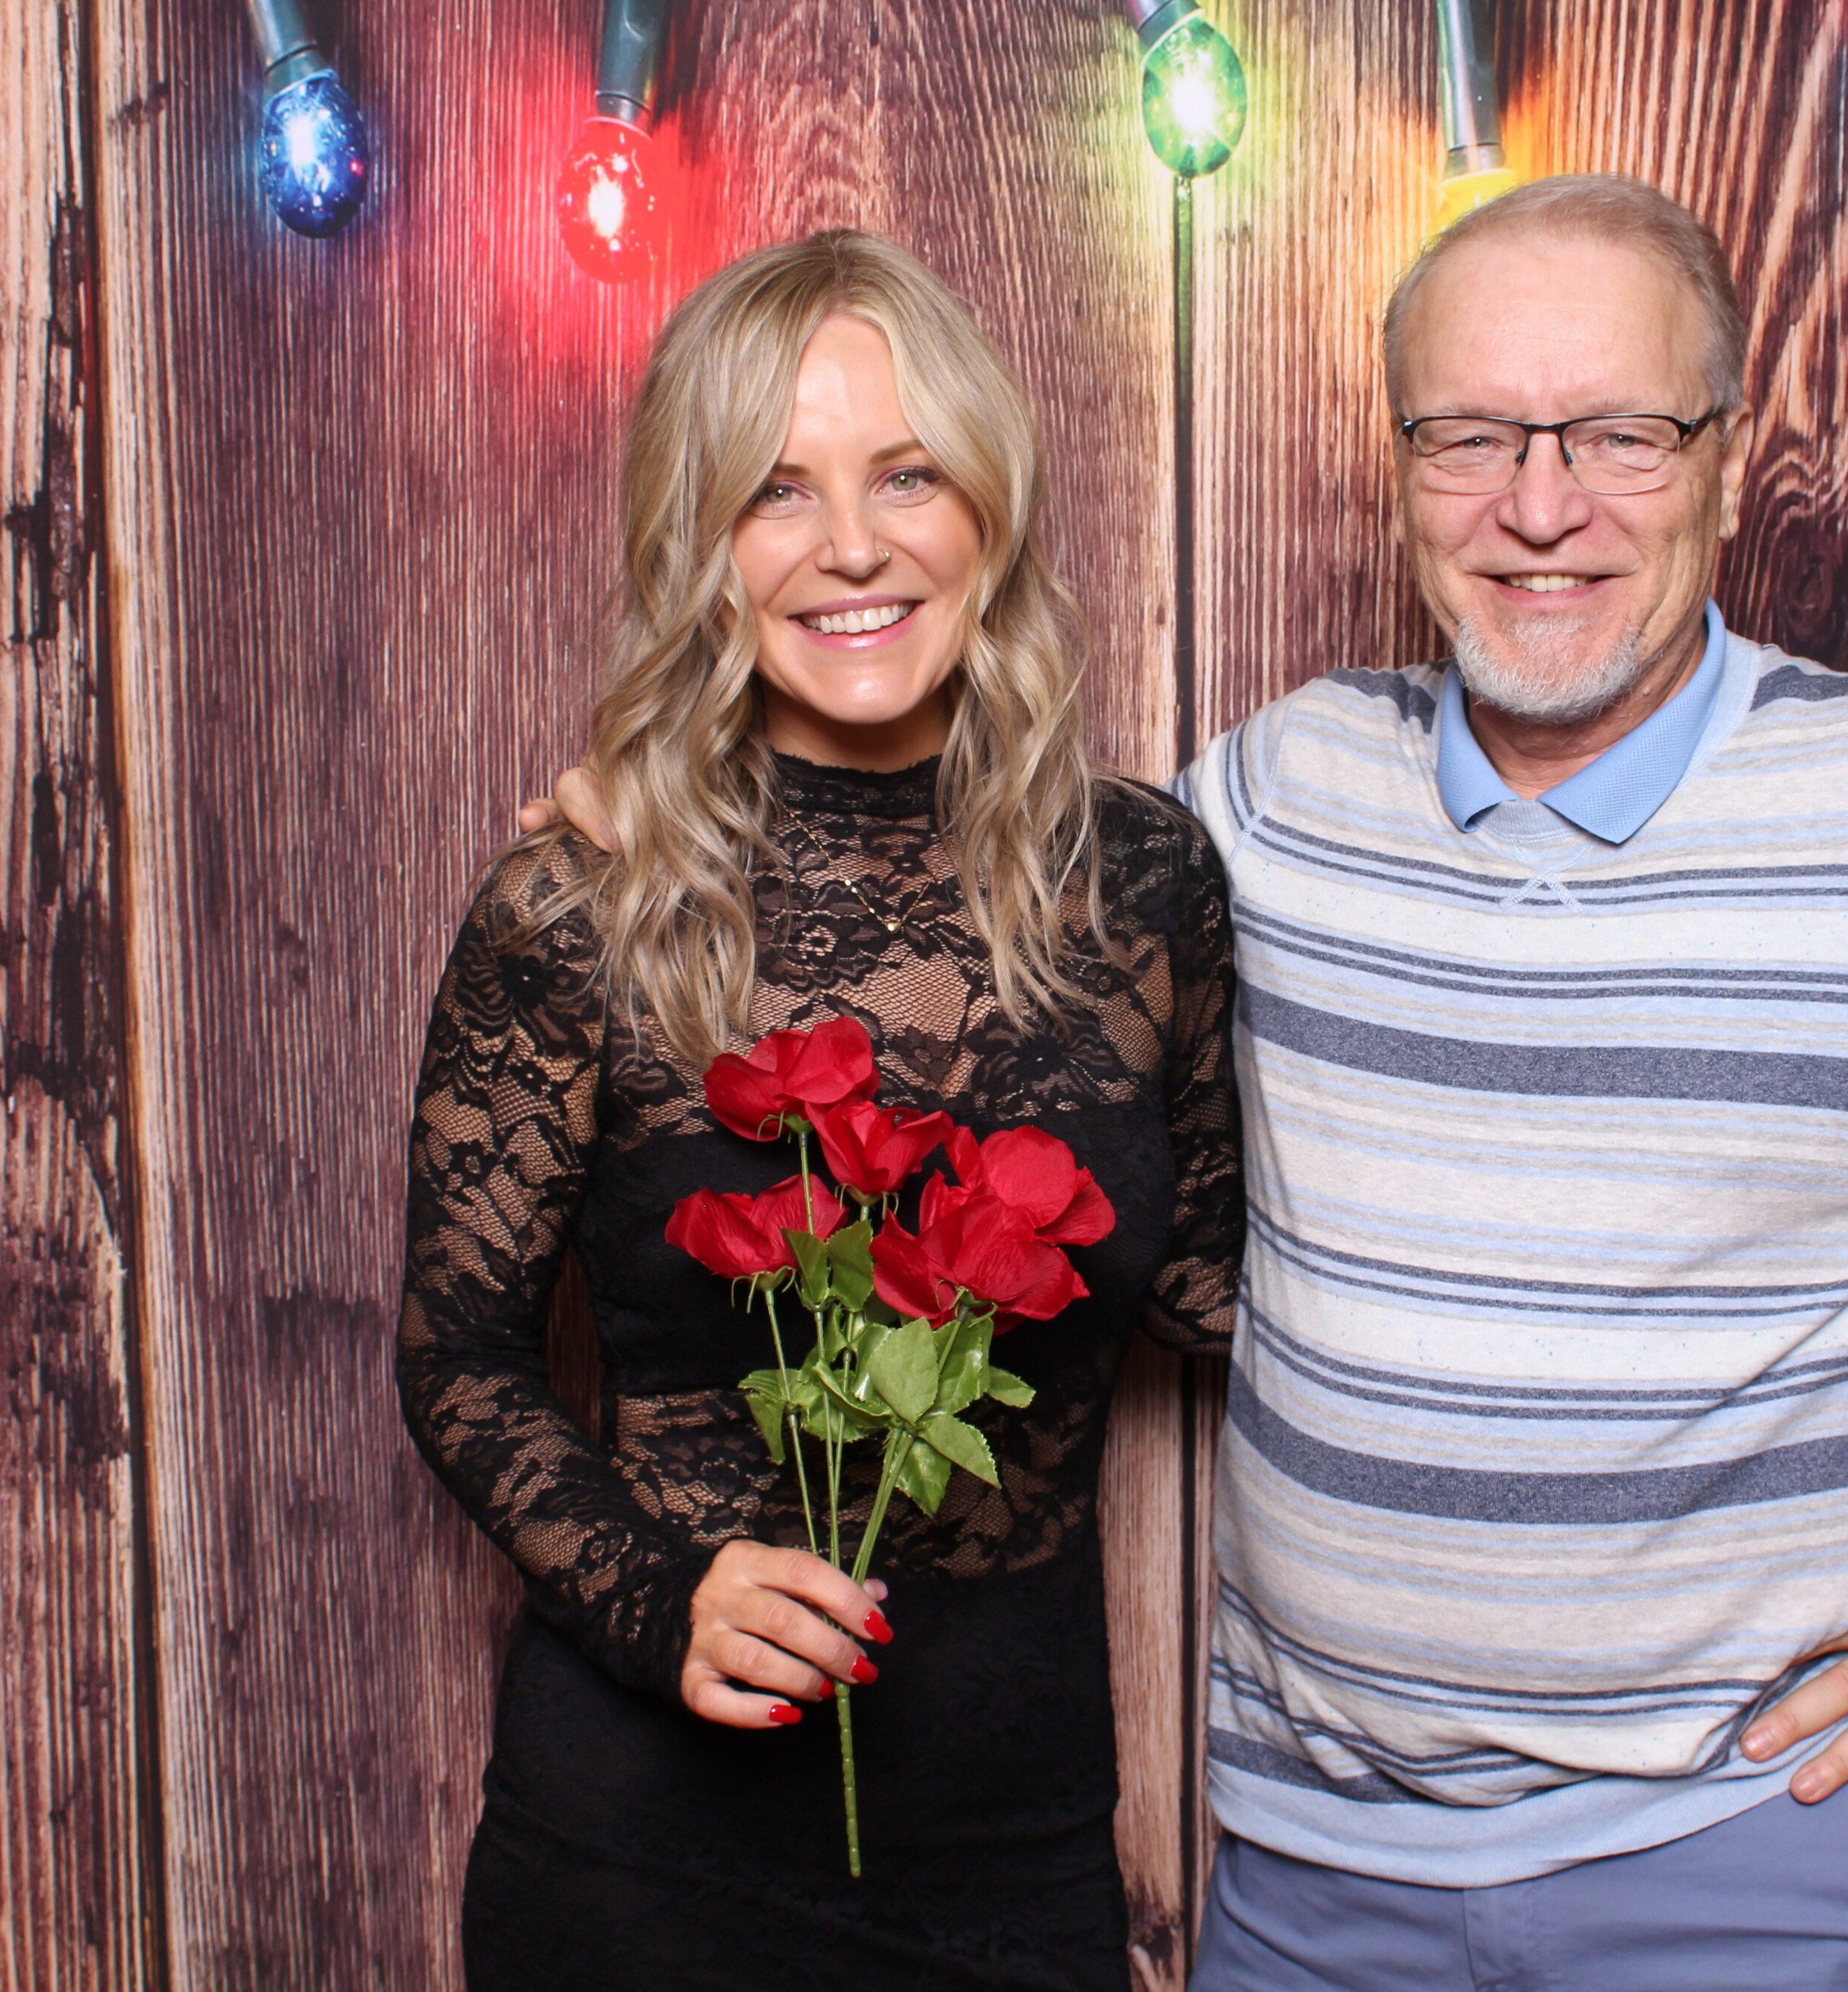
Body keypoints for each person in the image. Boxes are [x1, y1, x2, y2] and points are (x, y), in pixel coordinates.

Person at [527, 177, 1848, 1988]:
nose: (1539, 506)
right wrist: (701, 808)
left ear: (1729, 457)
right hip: (1311, 1880)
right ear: (1400, 470)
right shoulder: (1276, 795)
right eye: (1469, 438)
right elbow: (981, 920)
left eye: (1619, 435)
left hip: (1745, 1857)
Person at [401, 228, 1240, 1992]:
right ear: (698, 545)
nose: (851, 544)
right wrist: (658, 1595)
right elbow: (457, 1355)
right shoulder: (583, 902)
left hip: (1014, 1847)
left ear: (988, 504)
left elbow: (1210, 1291)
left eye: (905, 474)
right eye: (774, 490)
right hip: (641, 1865)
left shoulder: (1147, 883)